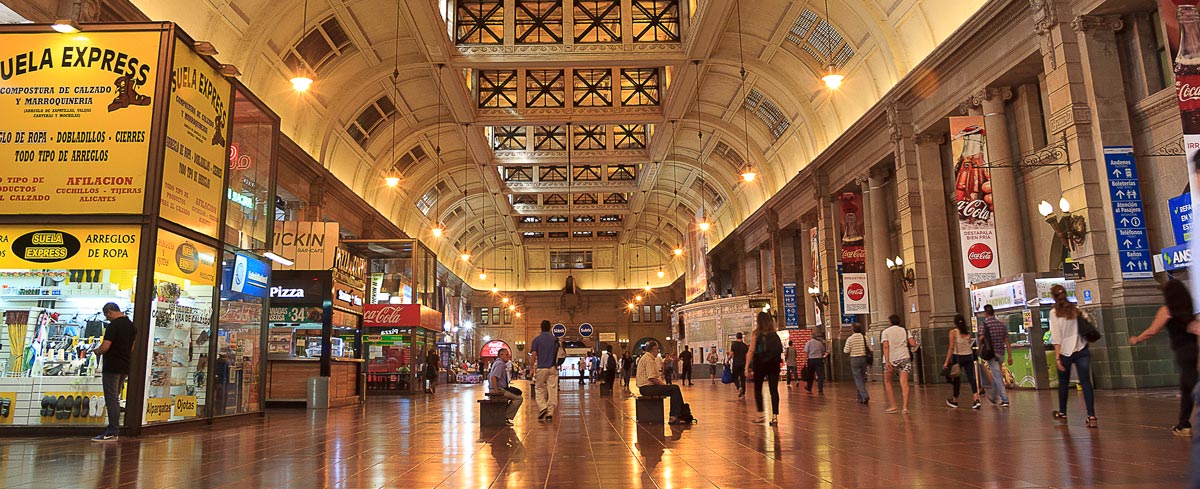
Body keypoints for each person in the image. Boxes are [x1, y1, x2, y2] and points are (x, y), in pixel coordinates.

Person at [1129, 279, 1197, 435]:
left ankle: (1184, 424)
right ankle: (1183, 424)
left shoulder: (1166, 310)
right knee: (1187, 387)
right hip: (1195, 350)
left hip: (1184, 353)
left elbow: (1152, 331)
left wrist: (1137, 338)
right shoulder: (1190, 308)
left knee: (1191, 386)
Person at [1048, 284, 1096, 428]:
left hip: (1065, 353)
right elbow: (1088, 327)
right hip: (1082, 351)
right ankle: (1091, 416)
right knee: (1086, 382)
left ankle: (1063, 412)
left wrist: (1057, 358)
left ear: (1054, 297)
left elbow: (1056, 338)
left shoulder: (1054, 313)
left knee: (1063, 384)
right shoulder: (1076, 310)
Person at [93, 302, 136, 441]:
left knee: (111, 399)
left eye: (107, 316)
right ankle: (113, 429)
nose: (108, 318)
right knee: (115, 398)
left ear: (110, 312)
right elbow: (132, 348)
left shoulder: (113, 326)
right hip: (124, 365)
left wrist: (97, 351)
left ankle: (112, 430)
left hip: (112, 366)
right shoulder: (131, 326)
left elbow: (105, 347)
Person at [635, 341, 689, 424]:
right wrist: (663, 385)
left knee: (674, 388)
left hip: (646, 388)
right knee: (674, 389)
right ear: (654, 349)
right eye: (657, 349)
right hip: (647, 388)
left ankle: (680, 414)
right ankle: (674, 416)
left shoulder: (646, 357)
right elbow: (652, 378)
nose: (658, 351)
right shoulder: (649, 359)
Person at [747, 312, 784, 425]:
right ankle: (775, 416)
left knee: (758, 389)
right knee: (774, 390)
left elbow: (751, 351)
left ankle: (760, 414)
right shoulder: (774, 334)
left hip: (760, 364)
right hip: (774, 364)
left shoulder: (756, 334)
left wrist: (746, 366)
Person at [943, 314, 981, 409]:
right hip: (968, 356)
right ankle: (976, 399)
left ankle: (955, 400)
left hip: (957, 357)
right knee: (971, 378)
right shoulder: (967, 333)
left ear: (955, 322)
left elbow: (951, 348)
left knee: (956, 379)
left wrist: (947, 361)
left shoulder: (953, 332)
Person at [881, 314, 917, 414]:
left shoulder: (885, 332)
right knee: (904, 383)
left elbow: (886, 346)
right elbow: (913, 343)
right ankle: (905, 407)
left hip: (891, 359)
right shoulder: (905, 330)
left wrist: (887, 361)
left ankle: (893, 406)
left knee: (888, 382)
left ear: (890, 321)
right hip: (904, 357)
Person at [980, 305, 1013, 407]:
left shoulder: (985, 325)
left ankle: (1005, 399)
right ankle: (993, 396)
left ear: (986, 313)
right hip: (1001, 353)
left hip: (992, 354)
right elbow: (1007, 341)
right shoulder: (1001, 325)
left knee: (997, 376)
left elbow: (981, 338)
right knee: (996, 375)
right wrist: (1010, 356)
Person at [529, 320, 560, 422]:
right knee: (552, 389)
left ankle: (543, 407)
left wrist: (531, 368)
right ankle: (550, 413)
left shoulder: (537, 340)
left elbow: (533, 355)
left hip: (542, 367)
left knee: (539, 387)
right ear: (550, 327)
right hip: (553, 367)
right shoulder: (555, 339)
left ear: (541, 327)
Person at [488, 348, 523, 425]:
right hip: (498, 389)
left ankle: (504, 415)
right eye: (506, 355)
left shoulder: (497, 363)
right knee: (518, 398)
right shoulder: (500, 363)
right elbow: (493, 377)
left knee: (516, 393)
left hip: (498, 388)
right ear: (501, 355)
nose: (508, 357)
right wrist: (496, 391)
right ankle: (505, 417)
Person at [843, 322, 872, 404]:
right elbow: (870, 348)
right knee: (862, 378)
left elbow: (846, 350)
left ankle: (864, 395)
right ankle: (859, 397)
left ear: (852, 330)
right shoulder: (864, 337)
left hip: (854, 359)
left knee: (858, 378)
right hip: (863, 358)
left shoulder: (850, 339)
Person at [730, 332, 749, 398]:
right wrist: (747, 365)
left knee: (734, 377)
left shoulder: (734, 345)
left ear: (736, 337)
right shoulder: (745, 346)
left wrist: (729, 359)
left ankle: (739, 387)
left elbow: (731, 354)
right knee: (743, 378)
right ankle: (743, 394)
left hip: (736, 363)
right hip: (743, 364)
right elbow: (747, 356)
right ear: (742, 337)